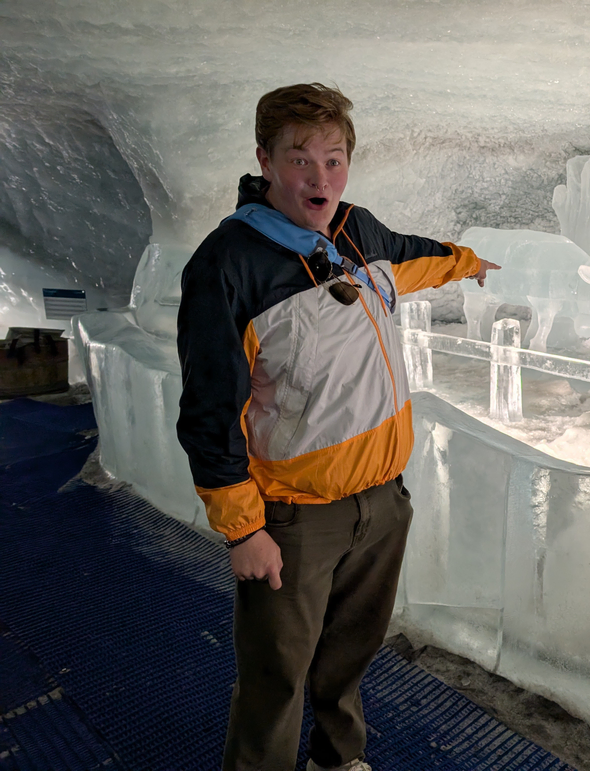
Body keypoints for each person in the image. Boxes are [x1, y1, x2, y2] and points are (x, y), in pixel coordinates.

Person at [176, 82, 498, 771]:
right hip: (294, 519)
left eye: (333, 159)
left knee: (348, 655)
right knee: (277, 676)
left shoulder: (358, 229)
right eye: (300, 159)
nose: (319, 177)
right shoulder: (227, 265)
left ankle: (336, 758)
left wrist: (466, 261)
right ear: (264, 160)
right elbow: (209, 409)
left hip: (382, 503)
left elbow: (412, 257)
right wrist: (244, 528)